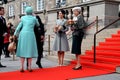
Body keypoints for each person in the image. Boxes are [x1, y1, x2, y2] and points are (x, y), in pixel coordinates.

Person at [13, 6, 39, 72]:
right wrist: (35, 17)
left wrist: (15, 34)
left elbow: (19, 26)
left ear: (26, 12)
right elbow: (38, 25)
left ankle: (21, 66)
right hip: (30, 34)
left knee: (22, 50)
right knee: (29, 50)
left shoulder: (23, 18)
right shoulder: (34, 18)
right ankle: (29, 67)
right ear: (31, 12)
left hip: (23, 34)